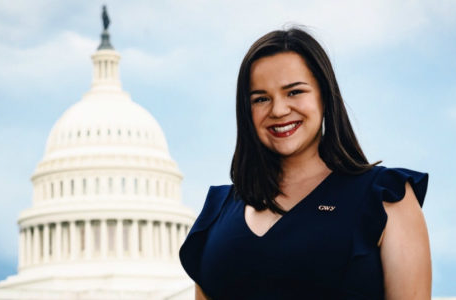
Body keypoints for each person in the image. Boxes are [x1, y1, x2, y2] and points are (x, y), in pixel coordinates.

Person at [179, 27, 431, 300]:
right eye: (261, 99)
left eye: (294, 92)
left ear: (324, 95)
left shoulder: (387, 199)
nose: (278, 110)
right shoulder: (216, 215)